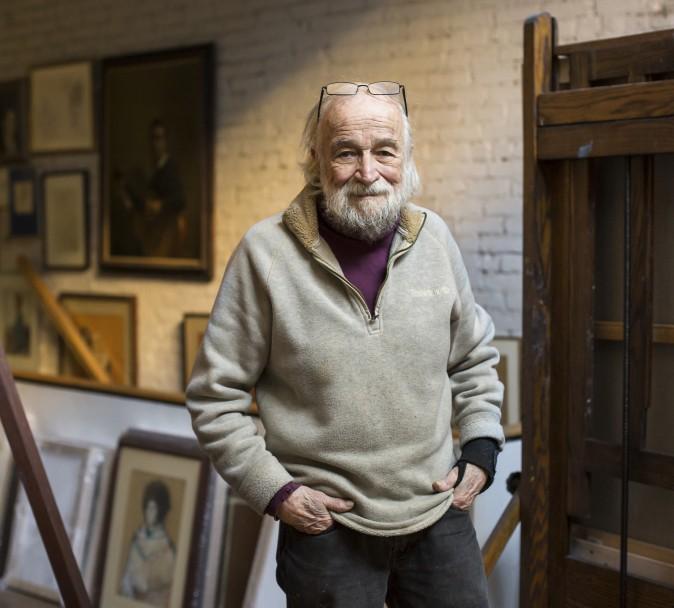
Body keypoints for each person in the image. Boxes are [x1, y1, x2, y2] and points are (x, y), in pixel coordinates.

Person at [186, 81, 504, 607]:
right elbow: (214, 398)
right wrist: (278, 492)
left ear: (406, 157)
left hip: (436, 510)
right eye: (346, 153)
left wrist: (481, 448)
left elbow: (473, 359)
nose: (367, 171)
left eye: (384, 151)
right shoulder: (265, 254)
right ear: (316, 158)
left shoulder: (436, 240)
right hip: (327, 526)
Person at [119, 480, 176, 606]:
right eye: (147, 507)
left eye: (153, 508)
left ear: (161, 511)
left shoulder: (168, 548)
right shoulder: (137, 539)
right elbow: (126, 579)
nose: (148, 513)